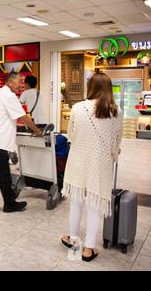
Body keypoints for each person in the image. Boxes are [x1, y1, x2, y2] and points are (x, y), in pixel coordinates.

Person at [60, 73, 122, 262]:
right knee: (95, 204)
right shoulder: (115, 111)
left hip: (78, 160)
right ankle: (88, 249)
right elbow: (116, 142)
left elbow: (71, 134)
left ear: (91, 87)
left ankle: (73, 239)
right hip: (100, 163)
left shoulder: (78, 108)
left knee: (76, 200)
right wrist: (113, 154)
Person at [0, 71, 41, 214]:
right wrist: (36, 130)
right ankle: (9, 204)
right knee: (3, 175)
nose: (21, 85)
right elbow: (23, 117)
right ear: (10, 82)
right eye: (19, 82)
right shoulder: (9, 95)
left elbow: (4, 116)